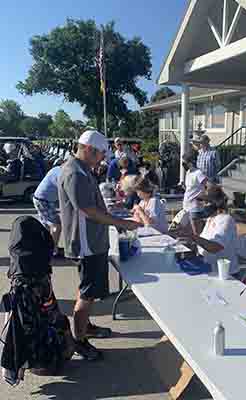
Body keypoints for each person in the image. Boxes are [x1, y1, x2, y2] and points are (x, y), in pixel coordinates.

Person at [58, 130, 140, 361]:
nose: (102, 159)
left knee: (88, 291)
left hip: (92, 242)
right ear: (88, 149)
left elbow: (93, 206)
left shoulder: (82, 169)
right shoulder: (75, 172)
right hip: (87, 244)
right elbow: (87, 210)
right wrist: (120, 222)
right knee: (87, 293)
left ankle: (86, 327)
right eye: (100, 154)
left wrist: (113, 218)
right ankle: (80, 340)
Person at [1, 216, 74, 385]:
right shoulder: (39, 274)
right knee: (59, 322)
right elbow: (51, 312)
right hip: (47, 354)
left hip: (30, 345)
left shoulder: (18, 271)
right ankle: (58, 353)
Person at [176, 186, 240, 276]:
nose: (202, 205)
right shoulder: (211, 219)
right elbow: (202, 244)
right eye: (202, 202)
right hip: (208, 267)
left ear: (216, 203)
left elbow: (215, 248)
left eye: (206, 202)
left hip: (224, 274)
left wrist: (192, 236)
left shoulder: (226, 220)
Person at [33, 162, 63, 255]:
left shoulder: (56, 169)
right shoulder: (61, 174)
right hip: (44, 200)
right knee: (56, 225)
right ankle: (52, 250)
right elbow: (65, 192)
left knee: (46, 225)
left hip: (41, 198)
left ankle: (45, 247)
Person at [182, 152, 208, 235]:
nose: (183, 164)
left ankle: (200, 247)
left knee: (197, 232)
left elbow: (207, 186)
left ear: (190, 162)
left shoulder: (199, 173)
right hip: (187, 206)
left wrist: (202, 199)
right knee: (188, 231)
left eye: (184, 161)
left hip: (195, 207)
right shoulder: (188, 172)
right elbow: (190, 189)